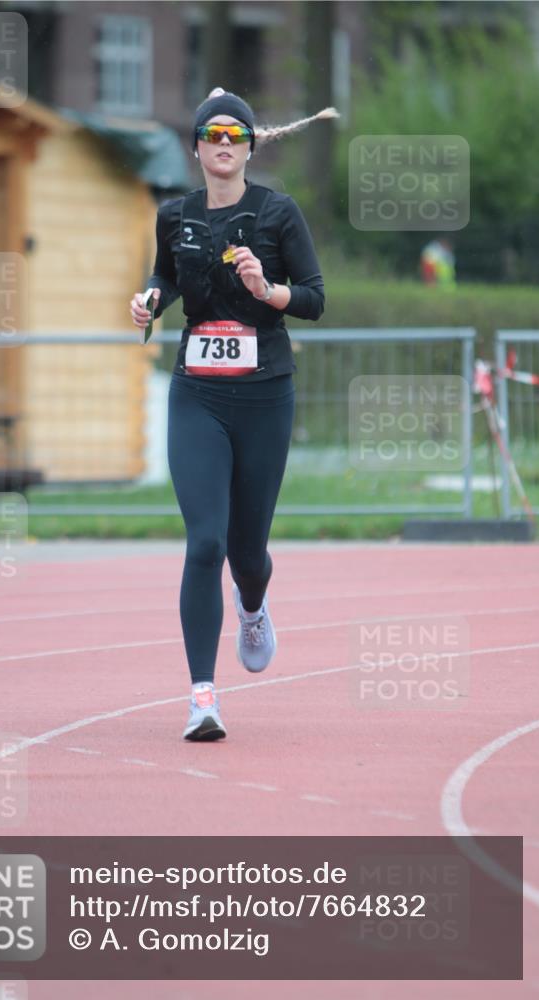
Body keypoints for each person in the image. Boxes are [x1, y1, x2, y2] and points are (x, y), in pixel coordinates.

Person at [130, 88, 337, 741]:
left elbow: (313, 298)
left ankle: (253, 604)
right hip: (197, 393)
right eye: (211, 135)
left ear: (249, 146)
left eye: (234, 135)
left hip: (264, 395)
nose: (222, 144)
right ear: (194, 147)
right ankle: (201, 697)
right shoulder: (174, 215)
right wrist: (148, 302)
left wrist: (265, 289)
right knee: (205, 543)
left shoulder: (277, 213)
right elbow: (166, 278)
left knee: (246, 553)